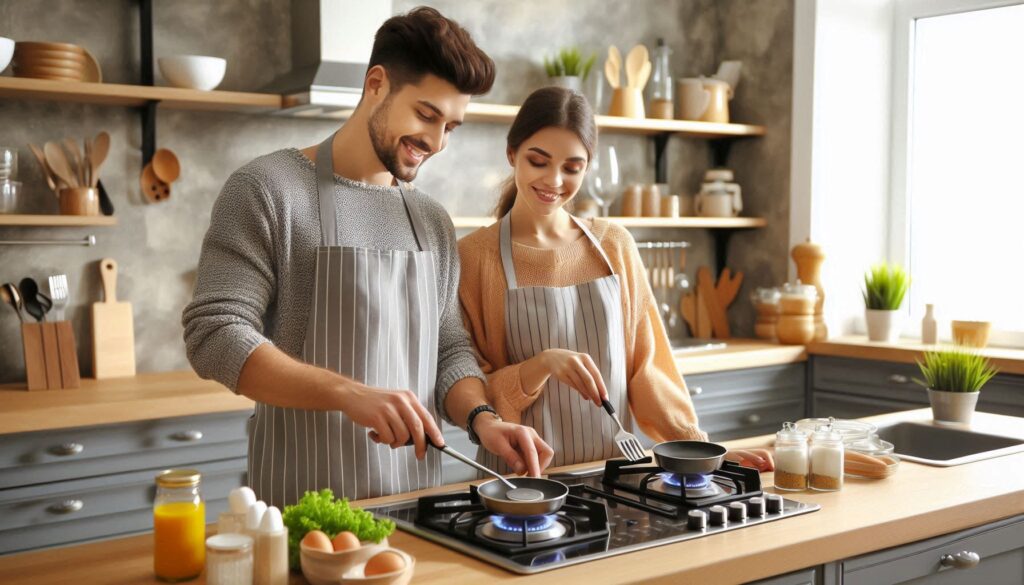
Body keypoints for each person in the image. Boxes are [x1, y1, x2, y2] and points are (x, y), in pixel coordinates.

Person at [183, 7, 552, 509]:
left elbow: (448, 350)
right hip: (302, 508)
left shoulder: (431, 221)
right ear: (376, 84)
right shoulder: (267, 189)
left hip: (417, 507)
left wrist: (483, 419)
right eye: (426, 115)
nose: (436, 142)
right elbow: (214, 333)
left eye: (451, 126)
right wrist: (348, 394)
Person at [458, 87, 773, 472]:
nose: (554, 180)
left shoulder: (613, 245)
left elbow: (648, 366)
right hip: (518, 481)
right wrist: (540, 365)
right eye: (538, 161)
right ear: (512, 154)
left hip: (611, 474)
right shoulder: (475, 256)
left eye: (572, 168)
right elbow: (470, 391)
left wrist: (701, 449)